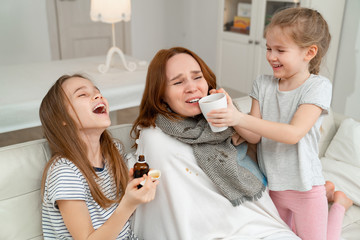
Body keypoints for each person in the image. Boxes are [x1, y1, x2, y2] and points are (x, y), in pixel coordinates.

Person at [206, 7, 353, 240]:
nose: (271, 56)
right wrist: (231, 109)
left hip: (305, 188)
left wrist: (239, 118)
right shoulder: (262, 85)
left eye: (280, 50)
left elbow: (293, 133)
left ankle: (339, 204)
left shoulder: (317, 86)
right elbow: (254, 136)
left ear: (309, 52)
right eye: (268, 48)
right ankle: (331, 194)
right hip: (273, 186)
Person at [130, 47, 301, 240]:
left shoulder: (226, 119)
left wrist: (234, 117)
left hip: (252, 220)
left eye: (197, 77)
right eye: (178, 82)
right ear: (161, 94)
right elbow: (171, 207)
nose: (192, 87)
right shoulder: (155, 135)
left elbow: (256, 138)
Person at [39, 74, 158, 239]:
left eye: (97, 91)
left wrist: (131, 189)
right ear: (62, 119)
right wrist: (129, 204)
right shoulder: (65, 172)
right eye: (82, 94)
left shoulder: (112, 152)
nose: (98, 95)